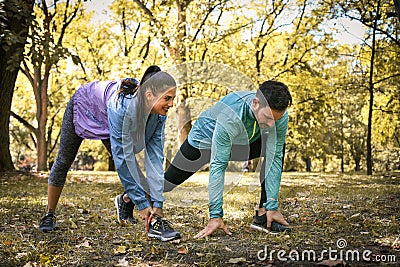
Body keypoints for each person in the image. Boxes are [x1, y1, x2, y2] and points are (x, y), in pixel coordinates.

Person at [39, 66, 180, 241]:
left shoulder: (160, 113)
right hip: (85, 105)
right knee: (64, 160)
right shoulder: (121, 107)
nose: (171, 104)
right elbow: (123, 158)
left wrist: (158, 204)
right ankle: (49, 214)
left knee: (139, 177)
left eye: (173, 98)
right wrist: (142, 204)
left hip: (108, 117)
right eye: (167, 98)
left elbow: (155, 158)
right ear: (149, 95)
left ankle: (129, 203)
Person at [164, 80, 292, 238]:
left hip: (243, 143)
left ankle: (264, 213)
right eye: (267, 117)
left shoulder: (278, 115)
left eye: (276, 119)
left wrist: (273, 204)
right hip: (204, 143)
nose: (271, 125)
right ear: (255, 103)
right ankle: (129, 199)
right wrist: (215, 216)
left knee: (276, 149)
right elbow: (218, 165)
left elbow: (274, 157)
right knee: (167, 183)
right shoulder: (232, 114)